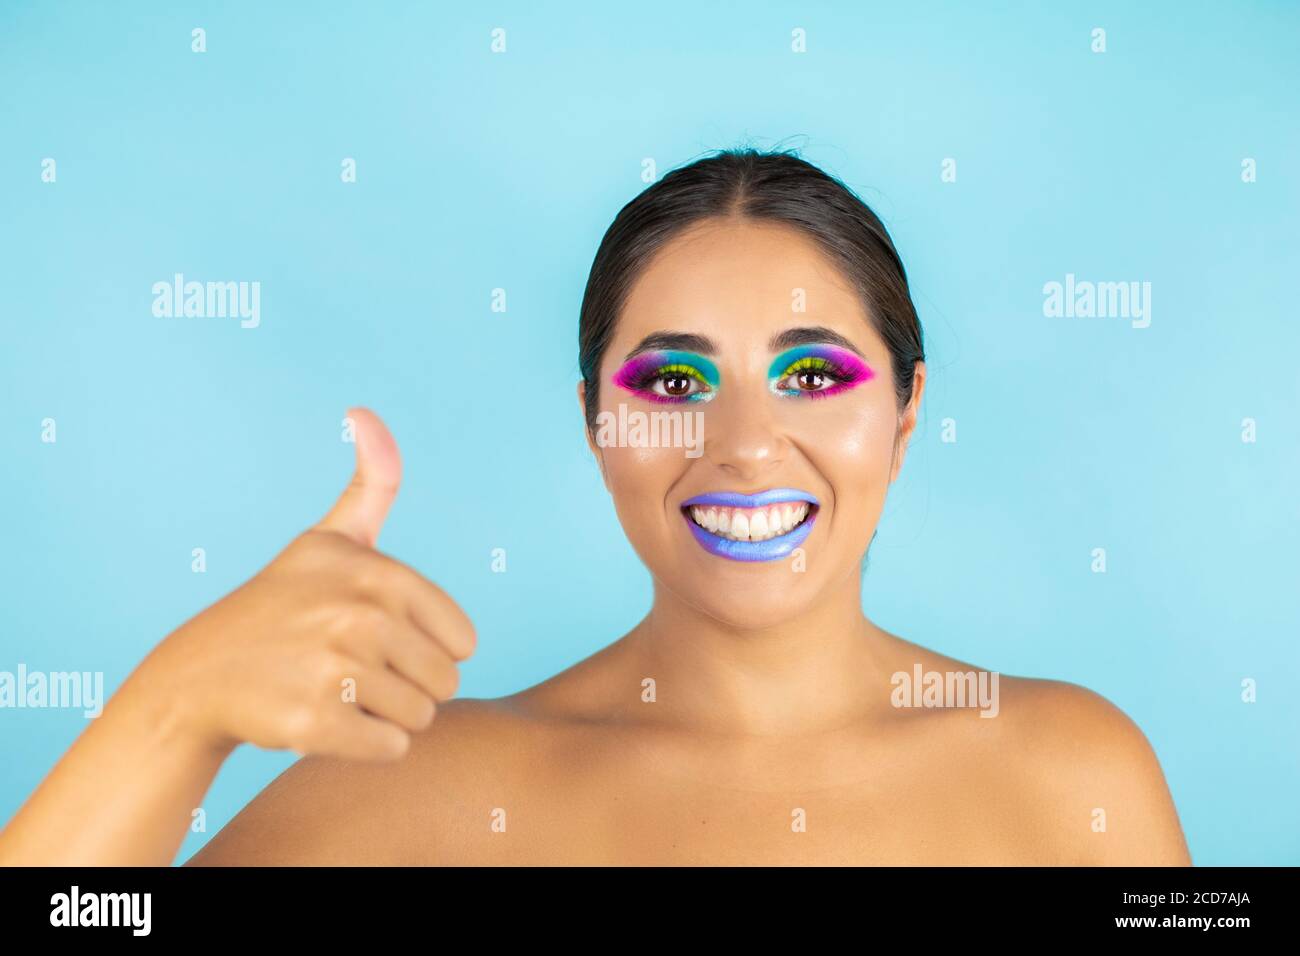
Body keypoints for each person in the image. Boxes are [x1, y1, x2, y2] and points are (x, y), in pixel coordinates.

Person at [0, 148, 1191, 865]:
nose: (742, 444)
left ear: (908, 407)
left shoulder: (1077, 768)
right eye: (673, 380)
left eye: (813, 374)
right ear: (593, 419)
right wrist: (174, 709)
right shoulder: (420, 783)